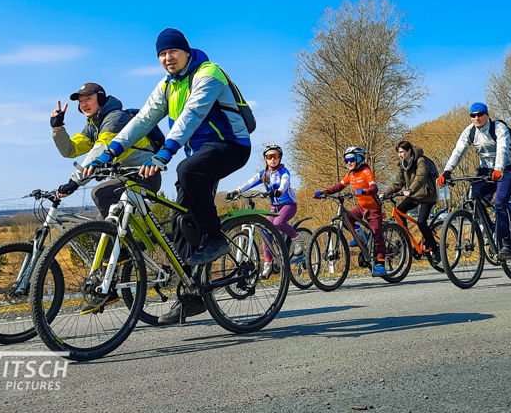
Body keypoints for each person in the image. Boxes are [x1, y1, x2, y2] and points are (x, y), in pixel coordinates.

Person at [86, 28, 252, 324]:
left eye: (171, 51)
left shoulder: (209, 73)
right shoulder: (168, 85)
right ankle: (191, 296)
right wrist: (108, 152)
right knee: (180, 220)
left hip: (231, 146)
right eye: (161, 54)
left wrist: (164, 152)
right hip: (197, 153)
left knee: (186, 170)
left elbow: (192, 115)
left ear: (186, 51)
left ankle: (215, 238)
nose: (167, 58)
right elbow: (144, 119)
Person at [50, 82, 161, 217]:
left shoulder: (116, 119)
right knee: (100, 228)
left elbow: (100, 150)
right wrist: (58, 129)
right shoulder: (93, 127)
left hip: (145, 175)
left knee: (99, 194)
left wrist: (74, 182)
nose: (84, 104)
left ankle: (122, 239)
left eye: (88, 99)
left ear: (101, 99)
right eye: (81, 102)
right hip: (125, 177)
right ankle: (119, 238)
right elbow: (70, 150)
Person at [437, 102, 511, 260]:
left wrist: (499, 169)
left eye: (480, 114)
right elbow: (458, 151)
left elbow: (502, 149)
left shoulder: (498, 128)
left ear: (487, 115)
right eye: (473, 115)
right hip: (486, 170)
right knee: (473, 197)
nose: (476, 118)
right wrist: (447, 171)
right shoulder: (469, 132)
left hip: (508, 168)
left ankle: (507, 243)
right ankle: (491, 228)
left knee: (500, 204)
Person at [314, 146, 387, 277]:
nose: (348, 163)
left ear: (359, 158)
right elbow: (339, 185)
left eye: (351, 159)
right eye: (346, 161)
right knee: (347, 218)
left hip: (373, 208)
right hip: (361, 207)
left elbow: (374, 187)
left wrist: (365, 191)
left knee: (377, 236)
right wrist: (324, 192)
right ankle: (361, 237)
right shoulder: (351, 174)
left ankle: (381, 263)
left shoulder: (366, 171)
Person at [228, 144, 300, 278]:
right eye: (269, 157)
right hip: (274, 207)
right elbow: (250, 182)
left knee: (278, 223)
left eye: (275, 156)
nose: (273, 159)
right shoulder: (264, 174)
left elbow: (285, 182)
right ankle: (268, 263)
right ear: (265, 159)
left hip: (289, 204)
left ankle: (297, 238)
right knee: (265, 230)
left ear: (280, 158)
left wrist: (279, 191)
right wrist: (236, 191)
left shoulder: (283, 172)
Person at [382, 140, 440, 263]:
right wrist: (385, 193)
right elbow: (398, 183)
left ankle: (435, 249)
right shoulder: (403, 165)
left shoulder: (421, 160)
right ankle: (406, 238)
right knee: (399, 211)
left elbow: (421, 177)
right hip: (414, 195)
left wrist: (410, 190)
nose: (400, 155)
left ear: (409, 151)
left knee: (421, 223)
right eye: (398, 152)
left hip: (427, 195)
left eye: (402, 152)